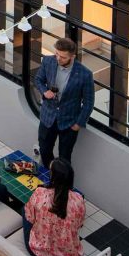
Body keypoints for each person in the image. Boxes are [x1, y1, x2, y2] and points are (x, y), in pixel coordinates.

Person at [35, 37, 95, 169]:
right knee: (44, 150)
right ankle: (51, 177)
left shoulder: (85, 74)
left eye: (62, 57)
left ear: (72, 56)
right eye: (56, 54)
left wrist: (78, 123)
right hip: (47, 117)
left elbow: (89, 102)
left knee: (65, 158)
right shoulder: (48, 61)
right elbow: (38, 79)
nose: (58, 58)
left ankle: (62, 186)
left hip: (69, 123)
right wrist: (45, 91)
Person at [22, 158, 85, 256]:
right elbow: (79, 224)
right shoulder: (79, 200)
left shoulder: (40, 193)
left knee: (25, 210)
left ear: (53, 177)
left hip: (39, 253)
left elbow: (30, 218)